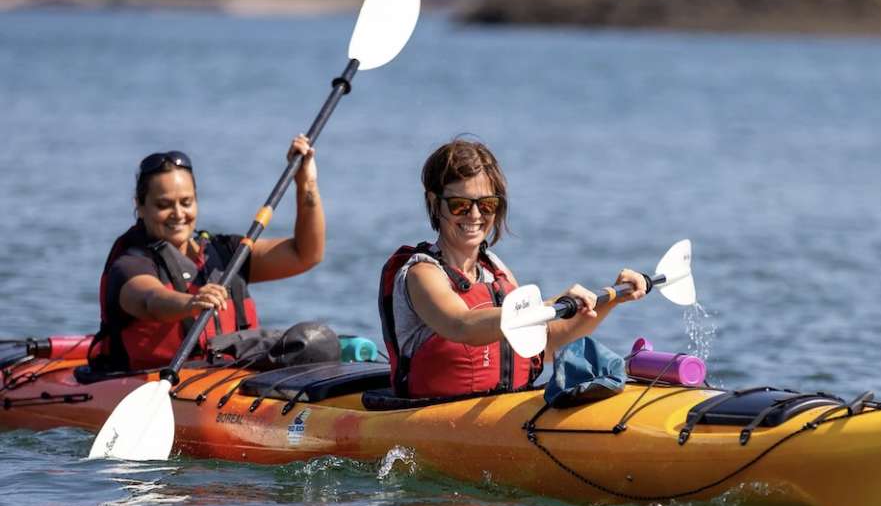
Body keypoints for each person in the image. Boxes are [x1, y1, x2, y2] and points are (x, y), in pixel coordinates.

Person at [379, 138, 647, 399]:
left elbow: (548, 343)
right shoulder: (422, 274)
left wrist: (612, 299)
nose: (474, 216)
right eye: (460, 205)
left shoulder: (495, 269)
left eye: (486, 205)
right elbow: (461, 326)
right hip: (434, 418)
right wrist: (551, 304)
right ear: (435, 203)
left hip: (500, 412)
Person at [89, 136, 325, 372]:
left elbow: (305, 254)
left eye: (186, 202)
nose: (178, 213)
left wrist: (306, 184)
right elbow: (150, 301)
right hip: (155, 384)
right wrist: (191, 303)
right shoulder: (131, 263)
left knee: (319, 343)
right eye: (164, 205)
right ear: (140, 206)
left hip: (229, 381)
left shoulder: (223, 253)